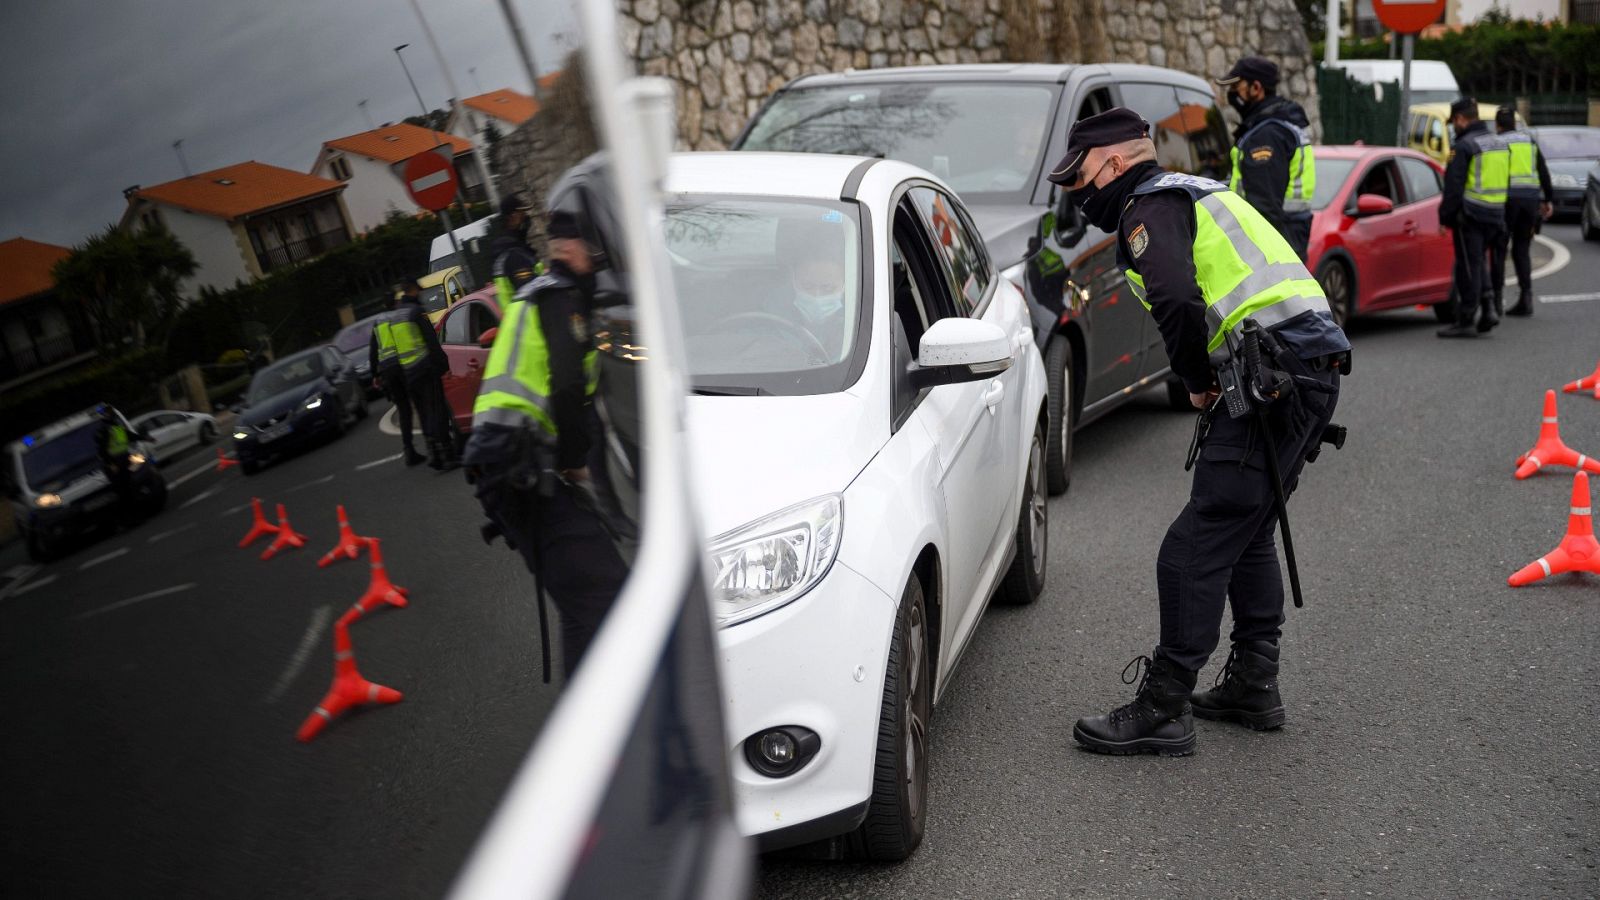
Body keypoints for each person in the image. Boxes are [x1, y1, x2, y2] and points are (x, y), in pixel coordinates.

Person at [1046, 108, 1349, 757]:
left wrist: (1195, 381)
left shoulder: (1147, 206)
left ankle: (1164, 706)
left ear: (1112, 164)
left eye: (1079, 177)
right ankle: (1253, 684)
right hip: (1307, 368)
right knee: (1245, 530)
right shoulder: (1199, 192)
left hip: (1274, 375)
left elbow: (1176, 298)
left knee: (1195, 543)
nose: (1076, 191)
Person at [463, 198, 628, 681]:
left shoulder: (541, 292)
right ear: (567, 248)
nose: (597, 261)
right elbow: (567, 386)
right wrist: (576, 460)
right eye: (592, 250)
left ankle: (586, 727)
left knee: (579, 604)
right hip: (519, 467)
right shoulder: (559, 296)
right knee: (612, 592)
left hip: (507, 468)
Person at [1215, 57, 1316, 261]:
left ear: (1256, 87)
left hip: (1270, 247)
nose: (1232, 94)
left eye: (1236, 86)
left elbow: (1264, 205)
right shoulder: (1278, 125)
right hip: (1287, 239)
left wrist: (1255, 257)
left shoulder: (1266, 136)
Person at [1437, 98, 1509, 338]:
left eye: (1454, 122)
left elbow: (1454, 187)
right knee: (1479, 263)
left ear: (1460, 119)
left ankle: (1466, 318)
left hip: (1471, 215)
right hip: (1496, 212)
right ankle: (1488, 308)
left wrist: (1446, 216)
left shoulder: (1465, 146)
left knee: (1467, 267)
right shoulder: (1498, 142)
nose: (1453, 127)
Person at [376, 280, 457, 468]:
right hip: (426, 368)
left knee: (424, 413)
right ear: (413, 290)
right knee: (437, 410)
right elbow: (431, 342)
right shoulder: (415, 312)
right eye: (418, 291)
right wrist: (443, 365)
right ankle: (446, 454)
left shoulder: (396, 317)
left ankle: (433, 452)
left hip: (409, 373)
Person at [1491, 106, 1554, 318]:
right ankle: (1526, 299)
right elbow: (1543, 171)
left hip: (1506, 201)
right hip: (1530, 202)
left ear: (1497, 125)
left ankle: (1497, 301)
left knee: (1499, 249)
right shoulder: (1529, 142)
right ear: (1516, 124)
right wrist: (1548, 200)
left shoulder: (1497, 143)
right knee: (1521, 249)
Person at [778, 213, 850, 359]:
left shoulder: (862, 322)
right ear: (793, 279)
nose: (817, 297)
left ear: (845, 284)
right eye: (807, 286)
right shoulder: (768, 313)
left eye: (828, 288)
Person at [369, 287, 426, 467]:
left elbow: (373, 351)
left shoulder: (377, 322)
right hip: (402, 365)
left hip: (387, 370)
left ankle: (408, 449)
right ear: (396, 302)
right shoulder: (400, 316)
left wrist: (375, 375)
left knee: (403, 409)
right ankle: (434, 444)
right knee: (418, 403)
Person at [490, 192, 542, 309]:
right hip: (528, 322)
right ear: (513, 217)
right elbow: (532, 293)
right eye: (522, 213)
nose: (526, 217)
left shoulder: (512, 248)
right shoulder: (513, 253)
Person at [93, 405, 135, 523]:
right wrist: (110, 464)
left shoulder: (115, 425)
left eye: (111, 413)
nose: (111, 415)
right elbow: (102, 450)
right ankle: (124, 519)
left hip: (122, 462)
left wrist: (144, 438)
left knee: (128, 491)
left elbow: (128, 436)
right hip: (114, 466)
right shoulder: (104, 428)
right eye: (109, 413)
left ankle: (131, 517)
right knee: (122, 494)